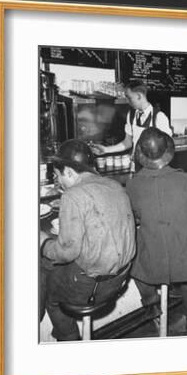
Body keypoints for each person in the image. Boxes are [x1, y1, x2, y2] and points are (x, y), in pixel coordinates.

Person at [38, 140, 136, 341]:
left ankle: (69, 341)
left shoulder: (73, 195)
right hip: (121, 276)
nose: (59, 182)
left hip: (95, 287)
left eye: (58, 176)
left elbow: (67, 253)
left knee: (48, 287)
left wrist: (44, 243)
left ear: (70, 172)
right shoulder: (114, 184)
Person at [126, 128, 187, 335]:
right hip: (186, 260)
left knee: (134, 261)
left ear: (140, 153)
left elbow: (130, 222)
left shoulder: (132, 185)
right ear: (168, 151)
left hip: (153, 263)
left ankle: (151, 303)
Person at [90, 80, 172, 159]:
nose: (127, 101)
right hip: (135, 165)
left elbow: (168, 146)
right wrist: (106, 150)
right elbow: (127, 142)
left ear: (139, 96)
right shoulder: (131, 115)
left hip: (153, 167)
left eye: (129, 98)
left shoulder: (159, 117)